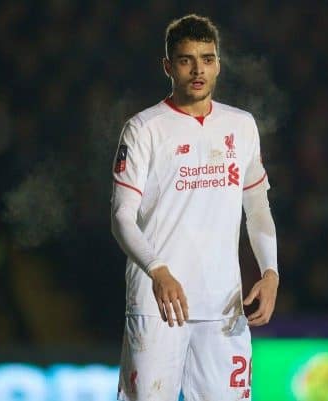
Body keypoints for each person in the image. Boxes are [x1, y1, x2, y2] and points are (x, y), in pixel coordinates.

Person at [110, 14, 279, 401]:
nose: (198, 69)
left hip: (223, 305)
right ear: (168, 66)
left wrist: (270, 273)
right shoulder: (144, 129)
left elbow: (257, 206)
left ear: (219, 63)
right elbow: (122, 217)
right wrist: (157, 270)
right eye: (186, 59)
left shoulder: (241, 125)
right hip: (158, 305)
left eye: (207, 58)